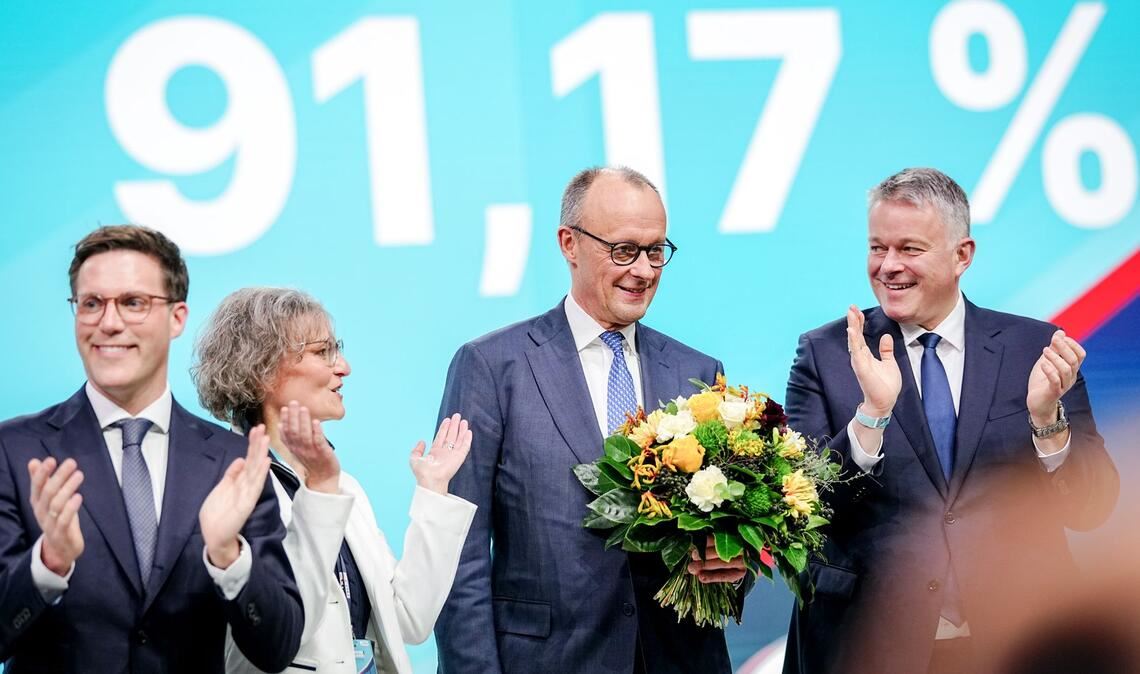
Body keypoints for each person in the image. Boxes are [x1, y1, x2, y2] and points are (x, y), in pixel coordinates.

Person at [781, 168, 1119, 673]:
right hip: (868, 646)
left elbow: (1091, 508)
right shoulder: (827, 353)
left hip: (1018, 644)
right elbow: (800, 513)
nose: (888, 266)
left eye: (909, 249)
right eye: (878, 248)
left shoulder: (1036, 349)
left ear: (963, 255)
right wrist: (870, 418)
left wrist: (1047, 421)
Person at [434, 166, 747, 674]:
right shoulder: (493, 368)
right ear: (569, 243)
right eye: (624, 250)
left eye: (656, 251)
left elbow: (729, 535)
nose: (643, 271)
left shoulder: (698, 373)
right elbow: (457, 552)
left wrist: (732, 564)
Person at [0, 225, 303, 672]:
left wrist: (229, 556)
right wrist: (47, 565)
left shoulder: (231, 460)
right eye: (91, 304)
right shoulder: (14, 450)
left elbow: (277, 648)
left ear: (177, 317)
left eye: (133, 302)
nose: (109, 322)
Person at [192, 287, 476, 674]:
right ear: (262, 368)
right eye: (322, 351)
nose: (343, 367)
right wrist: (321, 490)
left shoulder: (346, 487)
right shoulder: (230, 488)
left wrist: (435, 490)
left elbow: (409, 620)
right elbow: (289, 630)